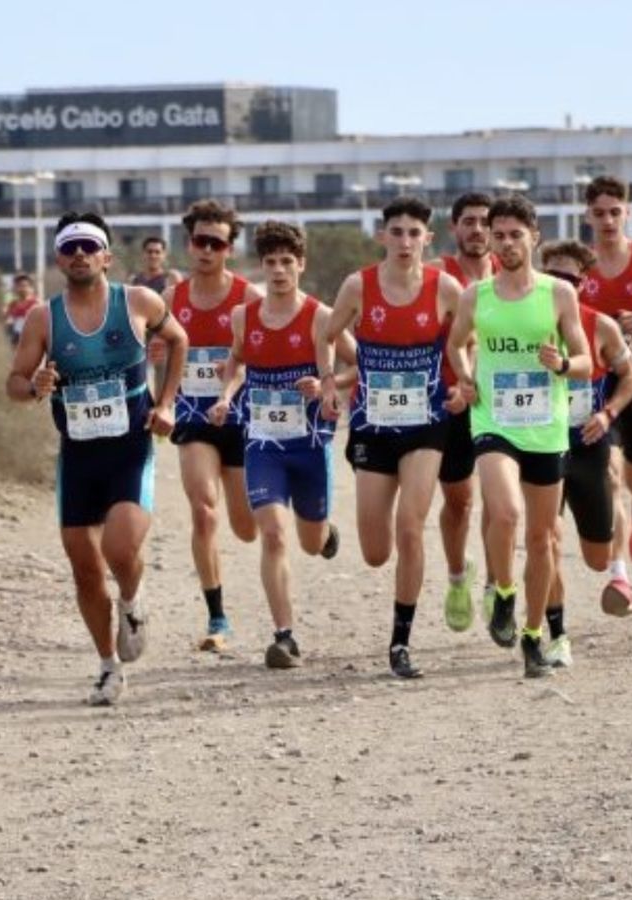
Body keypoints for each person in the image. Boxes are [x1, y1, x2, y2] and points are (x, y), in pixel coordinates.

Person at [6, 212, 186, 706]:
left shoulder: (139, 301)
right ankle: (109, 667)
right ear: (59, 259)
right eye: (70, 248)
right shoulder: (44, 318)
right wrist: (35, 386)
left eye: (89, 246)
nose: (80, 255)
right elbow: (14, 383)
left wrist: (166, 403)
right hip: (79, 456)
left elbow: (178, 340)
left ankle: (132, 600)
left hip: (130, 448)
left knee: (120, 549)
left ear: (106, 257)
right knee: (85, 569)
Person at [446, 195, 594, 679]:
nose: (507, 243)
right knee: (506, 512)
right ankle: (505, 593)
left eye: (516, 235)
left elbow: (586, 362)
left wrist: (563, 364)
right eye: (499, 236)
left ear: (534, 237)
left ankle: (533, 636)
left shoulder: (558, 293)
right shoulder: (476, 296)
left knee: (542, 538)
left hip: (546, 429)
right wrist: (466, 376)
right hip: (493, 421)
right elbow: (455, 344)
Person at [319, 196, 464, 679]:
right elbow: (326, 334)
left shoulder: (445, 288)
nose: (405, 241)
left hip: (427, 423)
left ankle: (400, 642)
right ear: (383, 236)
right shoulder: (358, 285)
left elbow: (470, 339)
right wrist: (328, 381)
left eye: (414, 233)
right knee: (376, 551)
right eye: (397, 232)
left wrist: (465, 382)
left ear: (428, 239)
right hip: (372, 426)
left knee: (410, 526)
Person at [208, 221, 349, 668]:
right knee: (272, 533)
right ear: (262, 266)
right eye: (270, 262)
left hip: (309, 445)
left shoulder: (321, 316)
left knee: (310, 541)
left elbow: (358, 363)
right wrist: (225, 396)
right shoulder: (243, 317)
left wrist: (327, 386)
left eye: (287, 261)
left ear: (301, 264)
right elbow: (236, 360)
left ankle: (325, 532)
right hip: (263, 444)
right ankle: (285, 637)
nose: (279, 270)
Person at [537, 240, 632, 666]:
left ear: (583, 283)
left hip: (587, 446)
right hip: (540, 447)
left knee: (596, 557)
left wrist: (608, 412)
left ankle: (616, 567)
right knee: (546, 538)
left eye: (570, 279)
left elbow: (631, 376)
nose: (561, 285)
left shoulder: (600, 326)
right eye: (553, 276)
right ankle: (557, 634)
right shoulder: (524, 323)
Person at [169, 200, 260, 651]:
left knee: (247, 528)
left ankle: (313, 526)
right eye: (199, 241)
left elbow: (275, 347)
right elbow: (151, 347)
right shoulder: (172, 299)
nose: (206, 250)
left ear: (229, 249)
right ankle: (217, 618)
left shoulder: (249, 296)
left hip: (241, 417)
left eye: (216, 243)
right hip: (192, 415)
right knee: (204, 512)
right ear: (189, 244)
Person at [580, 176, 632, 613]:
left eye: (615, 212)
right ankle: (620, 577)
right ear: (587, 216)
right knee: (609, 476)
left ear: (627, 213)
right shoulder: (582, 266)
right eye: (599, 213)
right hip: (598, 382)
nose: (608, 220)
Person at [433, 193, 499, 633]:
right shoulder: (438, 276)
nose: (478, 230)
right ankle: (458, 577)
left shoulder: (511, 275)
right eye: (469, 221)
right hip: (452, 399)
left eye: (485, 222)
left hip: (502, 402)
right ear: (454, 228)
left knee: (498, 497)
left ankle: (496, 585)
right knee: (459, 502)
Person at [3, 273, 40, 348]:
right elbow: (8, 321)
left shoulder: (36, 303)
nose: (22, 289)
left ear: (31, 288)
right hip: (17, 340)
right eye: (19, 286)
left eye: (24, 286)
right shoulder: (12, 304)